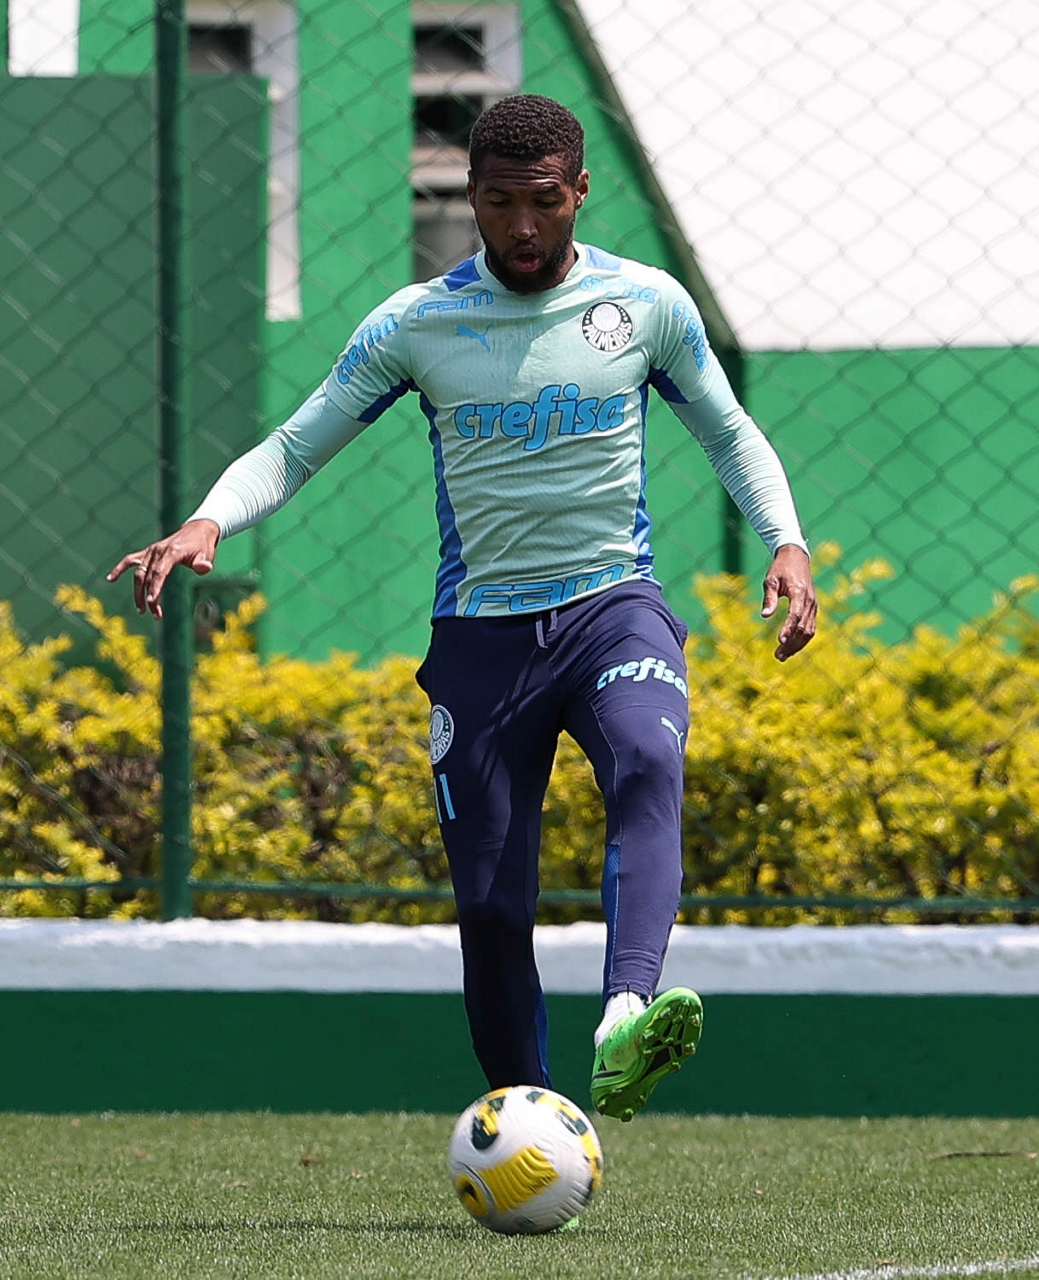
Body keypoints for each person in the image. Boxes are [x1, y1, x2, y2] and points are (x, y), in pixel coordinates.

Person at [110, 94, 816, 1122]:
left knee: (647, 758)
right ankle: (526, 1120)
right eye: (496, 203)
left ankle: (625, 1015)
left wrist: (785, 540)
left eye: (543, 202)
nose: (521, 227)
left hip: (611, 606)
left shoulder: (645, 305)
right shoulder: (417, 323)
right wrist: (208, 520)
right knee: (489, 907)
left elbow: (729, 430)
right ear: (468, 197)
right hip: (483, 639)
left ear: (580, 192)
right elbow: (296, 445)